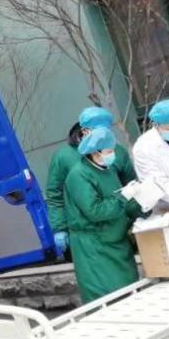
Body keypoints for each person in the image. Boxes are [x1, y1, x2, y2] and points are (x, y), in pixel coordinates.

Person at [64, 127, 142, 302]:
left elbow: (117, 200)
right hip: (94, 246)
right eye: (109, 151)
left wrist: (141, 207)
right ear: (94, 152)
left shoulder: (108, 169)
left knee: (129, 290)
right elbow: (95, 211)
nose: (113, 154)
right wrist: (124, 197)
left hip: (115, 239)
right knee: (108, 297)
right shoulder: (79, 175)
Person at [46, 107, 136, 254]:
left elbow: (130, 185)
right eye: (98, 131)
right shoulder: (63, 157)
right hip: (87, 230)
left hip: (117, 225)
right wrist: (59, 227)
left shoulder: (117, 152)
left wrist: (136, 215)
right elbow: (55, 194)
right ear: (85, 131)